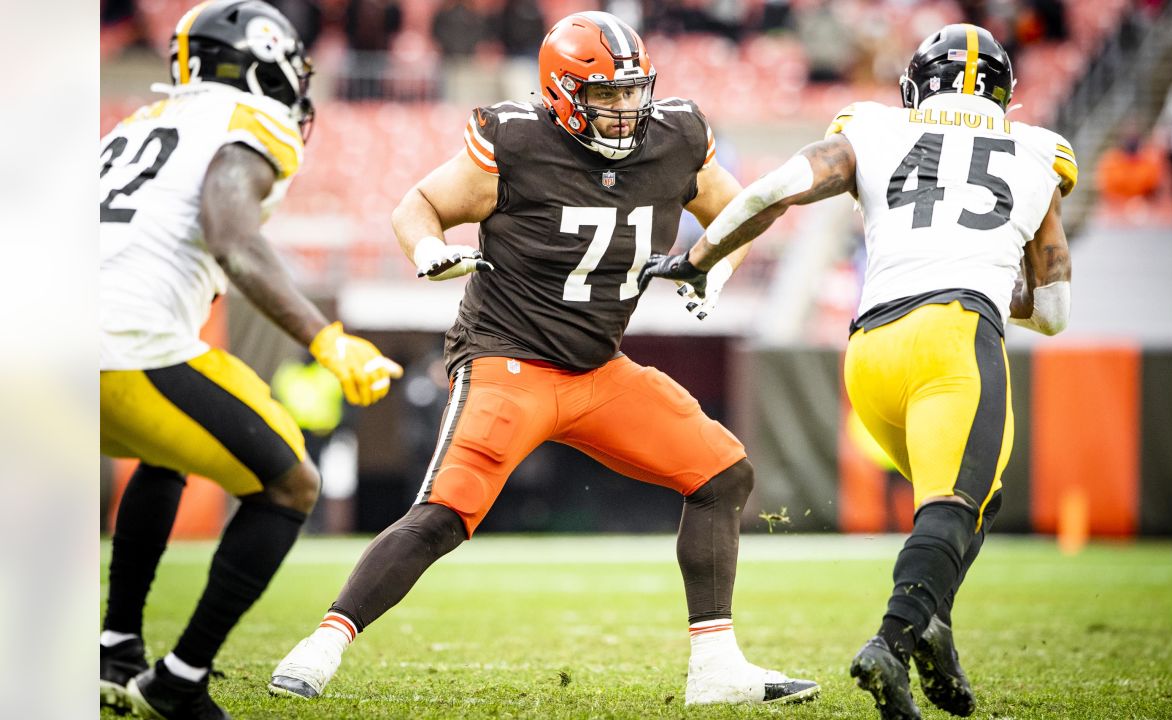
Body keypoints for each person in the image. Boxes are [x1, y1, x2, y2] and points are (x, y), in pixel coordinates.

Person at [268, 10, 817, 707]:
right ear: (560, 95)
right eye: (606, 97)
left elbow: (737, 214)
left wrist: (718, 265)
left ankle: (715, 668)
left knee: (722, 473)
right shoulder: (517, 142)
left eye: (633, 93)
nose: (625, 112)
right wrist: (429, 250)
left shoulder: (676, 136)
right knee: (444, 513)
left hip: (597, 368)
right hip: (509, 359)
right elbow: (419, 205)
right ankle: (322, 645)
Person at [642, 23, 1076, 720]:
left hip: (870, 351)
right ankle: (891, 642)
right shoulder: (1036, 153)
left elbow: (778, 187)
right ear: (1005, 95)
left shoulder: (873, 129)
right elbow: (1053, 310)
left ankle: (935, 624)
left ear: (914, 89)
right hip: (956, 341)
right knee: (956, 506)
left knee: (967, 504)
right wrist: (987, 279)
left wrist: (702, 258)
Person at [99, 2, 402, 717]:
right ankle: (179, 678)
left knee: (164, 451)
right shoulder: (248, 120)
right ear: (261, 61)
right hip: (122, 344)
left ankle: (116, 646)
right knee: (291, 483)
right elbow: (231, 236)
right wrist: (326, 338)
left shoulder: (136, 124)